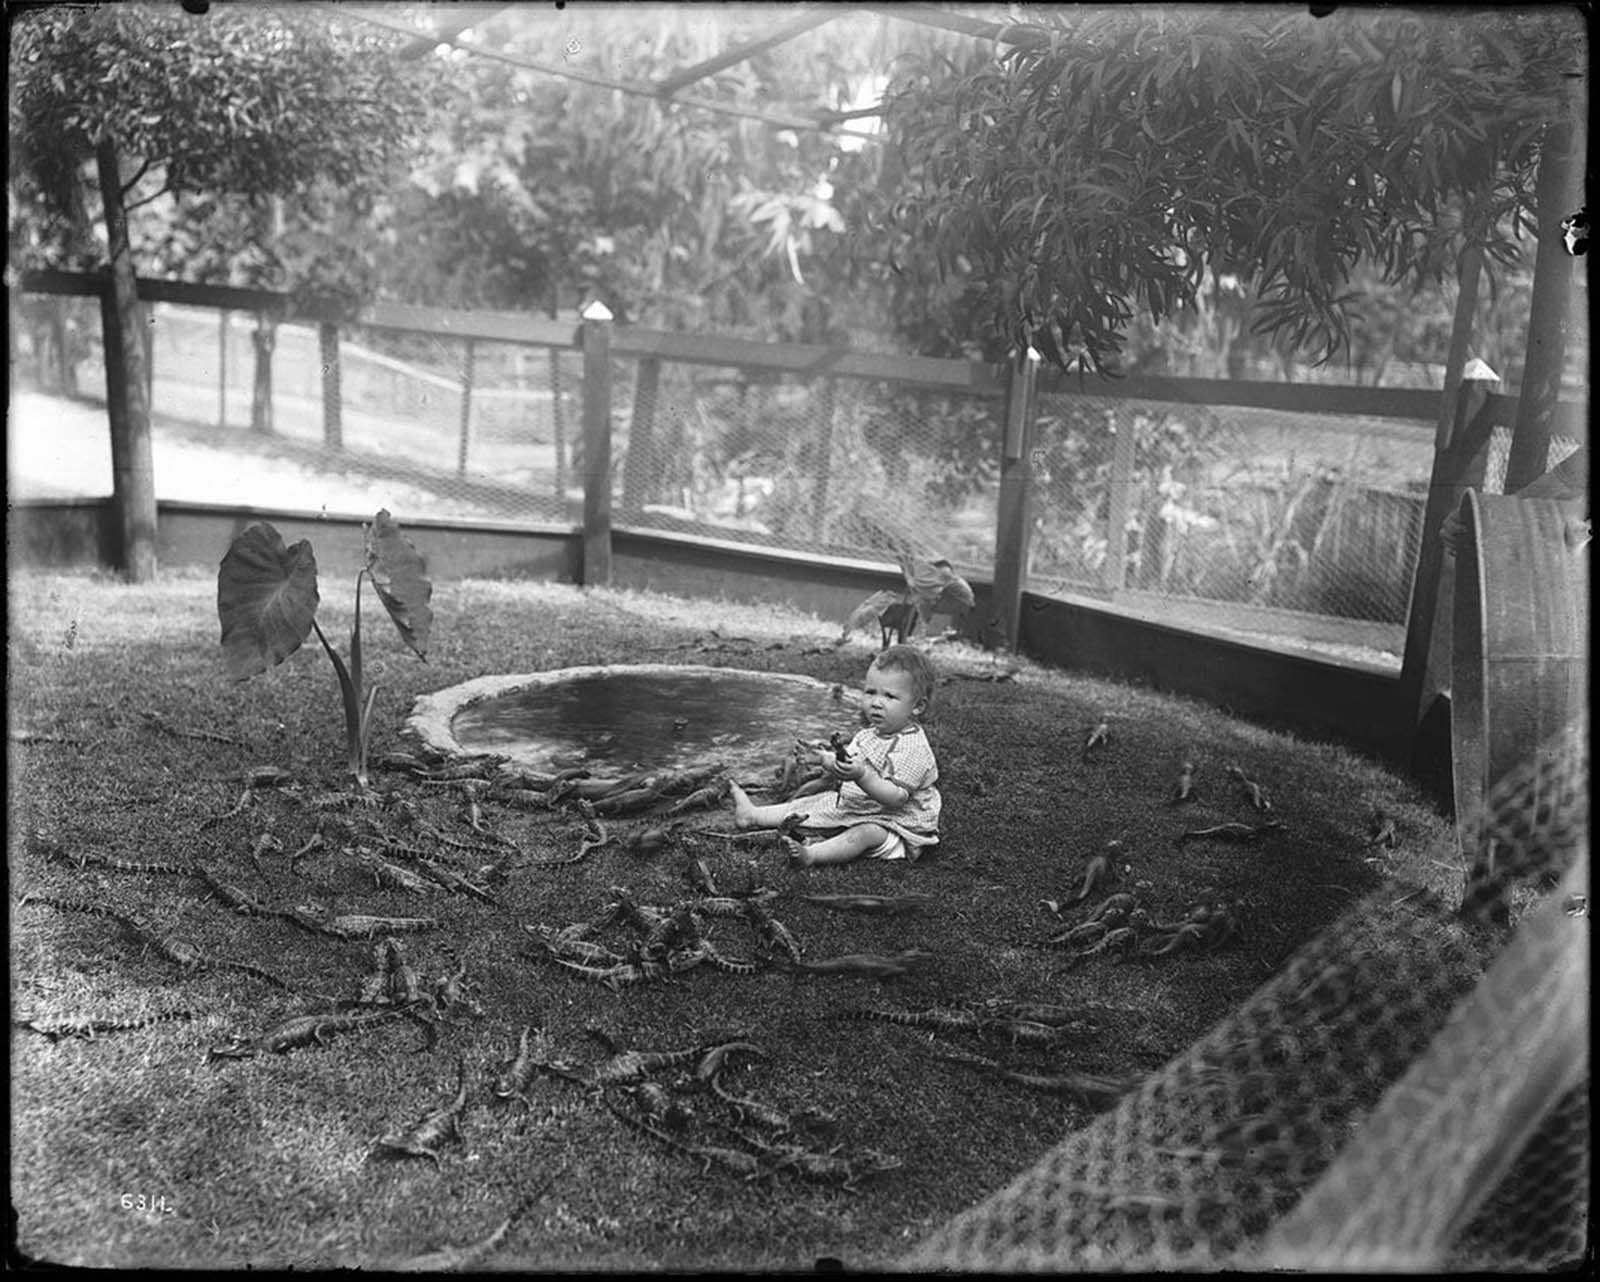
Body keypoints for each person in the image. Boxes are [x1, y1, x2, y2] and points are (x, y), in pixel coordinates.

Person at [728, 644, 942, 866]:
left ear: (917, 706)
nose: (876, 703)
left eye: (889, 696)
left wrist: (862, 776)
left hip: (896, 824)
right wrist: (823, 759)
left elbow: (896, 798)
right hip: (861, 806)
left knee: (865, 833)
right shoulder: (869, 734)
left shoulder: (912, 747)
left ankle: (812, 855)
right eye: (870, 692)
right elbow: (846, 764)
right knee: (811, 803)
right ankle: (752, 815)